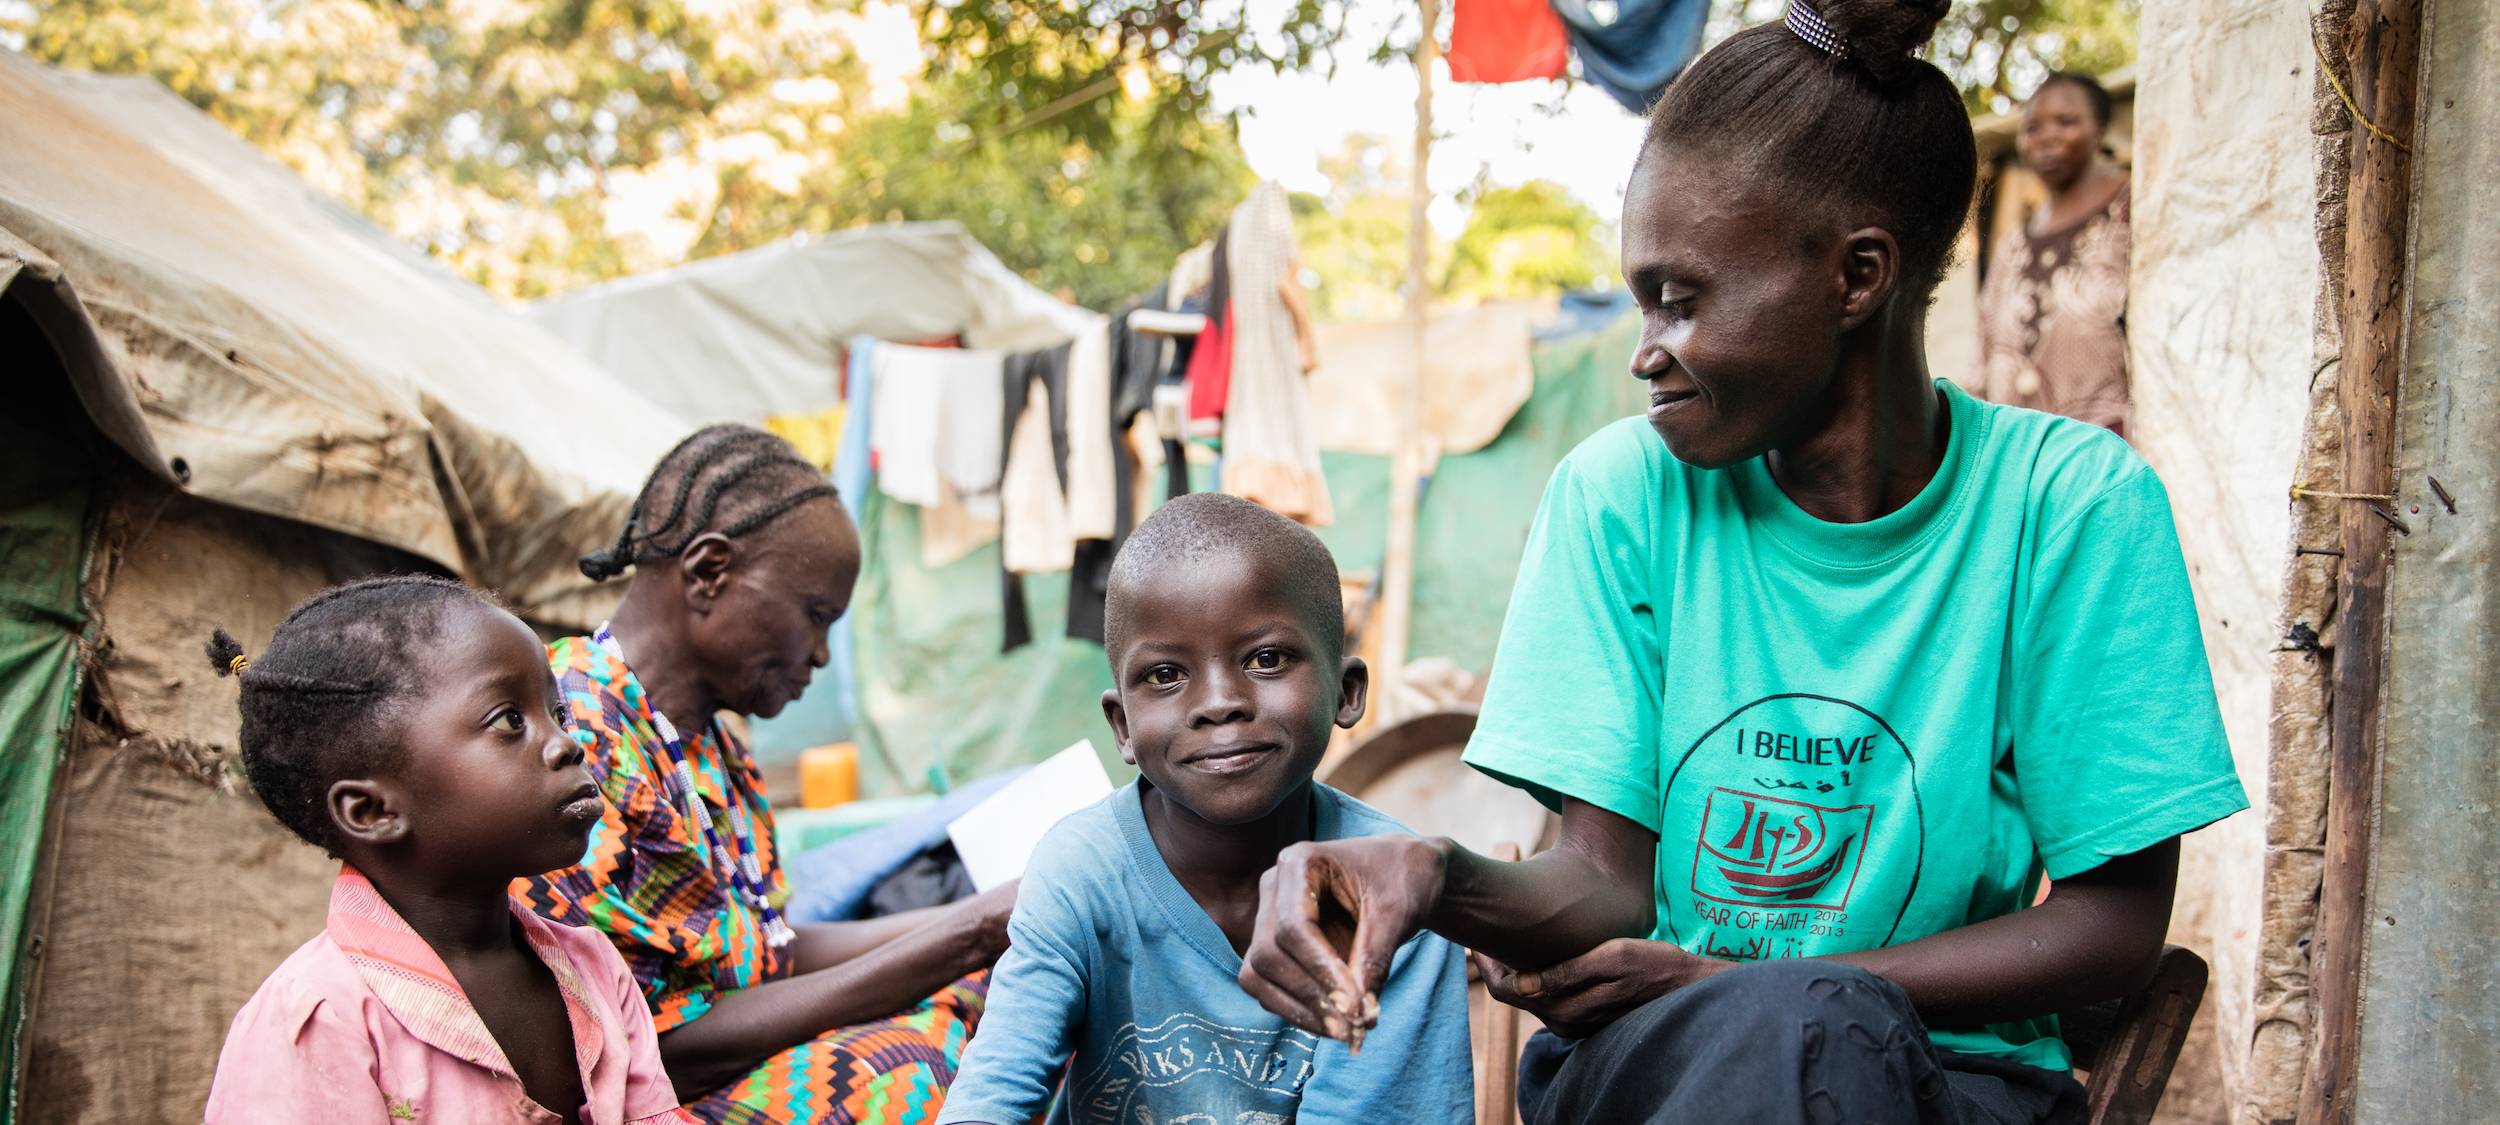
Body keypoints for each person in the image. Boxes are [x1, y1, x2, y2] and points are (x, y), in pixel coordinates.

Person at [1235, 3, 2247, 1123]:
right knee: (1773, 1033)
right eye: (1638, 303)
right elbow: (1603, 885)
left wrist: (1763, 986)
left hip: (1952, 1085)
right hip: (1659, 1067)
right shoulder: (1619, 497)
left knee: (1799, 1028)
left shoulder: (2069, 506)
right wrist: (1433, 875)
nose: (1643, 352)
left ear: (1855, 278)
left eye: (1681, 298)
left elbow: (2113, 926)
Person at [522, 425, 1016, 1124]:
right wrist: (969, 929)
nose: (819, 654)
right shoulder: (573, 734)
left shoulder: (716, 744)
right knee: (908, 1070)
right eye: (815, 616)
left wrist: (991, 921)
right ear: (708, 573)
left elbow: (770, 947)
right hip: (643, 1099)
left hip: (719, 1065)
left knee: (996, 988)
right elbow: (654, 1048)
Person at [937, 493, 1473, 1125]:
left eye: (1266, 659)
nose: (1219, 703)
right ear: (1122, 726)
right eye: (1165, 675)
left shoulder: (1387, 894)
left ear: (1348, 691)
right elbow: (993, 1095)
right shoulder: (1083, 872)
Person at [204, 576, 693, 1124]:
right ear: (373, 812)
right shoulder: (319, 1018)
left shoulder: (595, 968)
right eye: (510, 720)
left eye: (557, 715)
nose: (567, 744)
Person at [1978, 71, 2133, 433]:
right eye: (2032, 128)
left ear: (2100, 129)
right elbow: (1982, 349)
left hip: (2109, 460)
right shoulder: (2013, 244)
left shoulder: (2132, 215)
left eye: (2066, 122)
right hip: (2022, 460)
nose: (2046, 138)